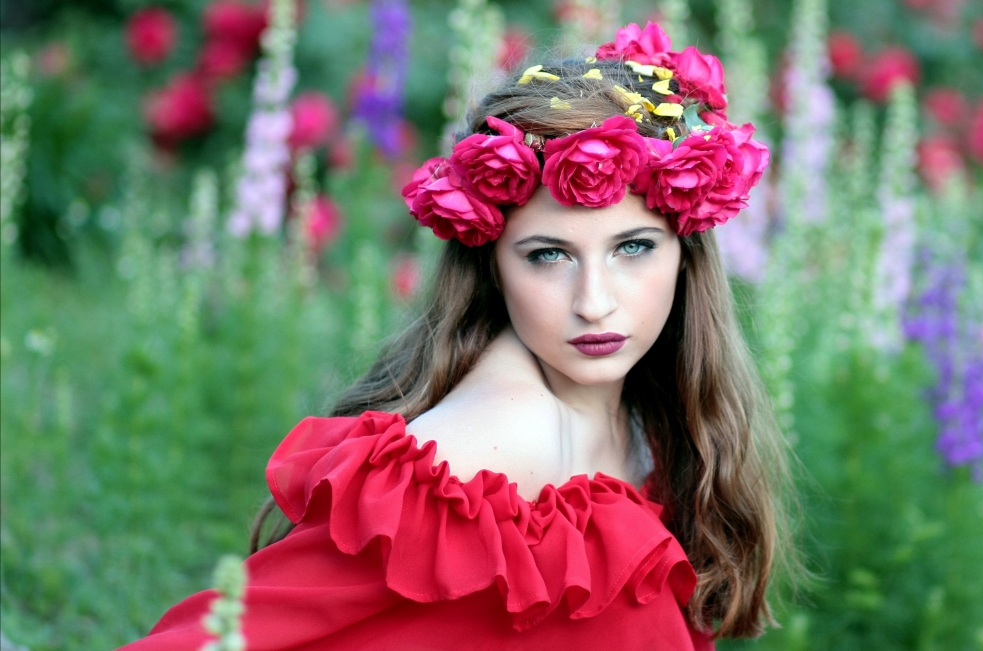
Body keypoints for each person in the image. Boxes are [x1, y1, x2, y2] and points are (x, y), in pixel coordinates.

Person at [122, 20, 792, 651]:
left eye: (633, 247)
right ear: (493, 266)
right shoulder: (503, 429)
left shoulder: (642, 412)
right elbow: (230, 631)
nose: (594, 303)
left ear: (686, 254)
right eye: (548, 255)